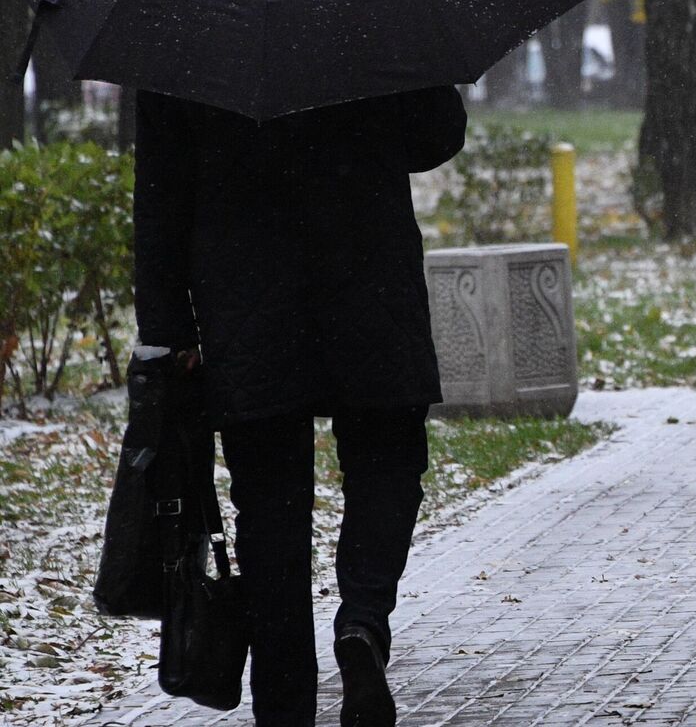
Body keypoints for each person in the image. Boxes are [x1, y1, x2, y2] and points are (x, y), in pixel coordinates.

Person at [134, 86, 468, 727]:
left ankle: (284, 709)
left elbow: (161, 195)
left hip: (248, 302)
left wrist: (171, 329)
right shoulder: (372, 0)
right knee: (388, 465)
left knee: (269, 516)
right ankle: (363, 622)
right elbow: (435, 137)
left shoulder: (187, 25)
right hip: (368, 281)